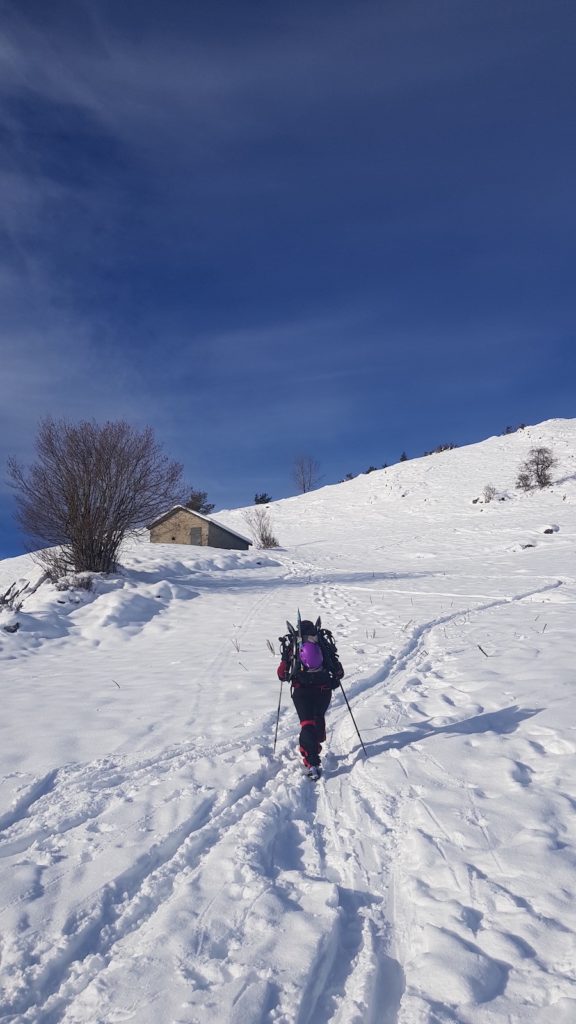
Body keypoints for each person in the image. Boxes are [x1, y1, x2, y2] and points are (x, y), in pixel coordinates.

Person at [277, 618, 344, 779]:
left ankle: (310, 761)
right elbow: (339, 671)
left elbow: (281, 674)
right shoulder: (322, 644)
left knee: (307, 723)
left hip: (301, 691)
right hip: (323, 690)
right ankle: (314, 748)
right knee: (317, 718)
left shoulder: (293, 647)